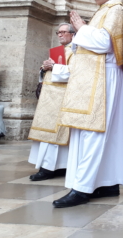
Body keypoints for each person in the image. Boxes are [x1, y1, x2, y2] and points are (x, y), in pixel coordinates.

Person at [52, 0, 123, 208]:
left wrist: (80, 28)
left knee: (93, 133)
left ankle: (82, 188)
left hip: (104, 77)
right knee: (94, 133)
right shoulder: (103, 11)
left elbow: (103, 44)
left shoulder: (115, 10)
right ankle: (107, 183)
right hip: (93, 77)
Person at [27, 23, 75, 181]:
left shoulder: (77, 50)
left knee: (55, 134)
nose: (60, 35)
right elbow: (47, 71)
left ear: (72, 34)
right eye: (58, 32)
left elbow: (75, 73)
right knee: (46, 131)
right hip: (49, 97)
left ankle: (49, 168)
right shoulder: (57, 50)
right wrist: (45, 68)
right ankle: (54, 166)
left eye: (63, 32)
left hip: (62, 98)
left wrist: (54, 67)